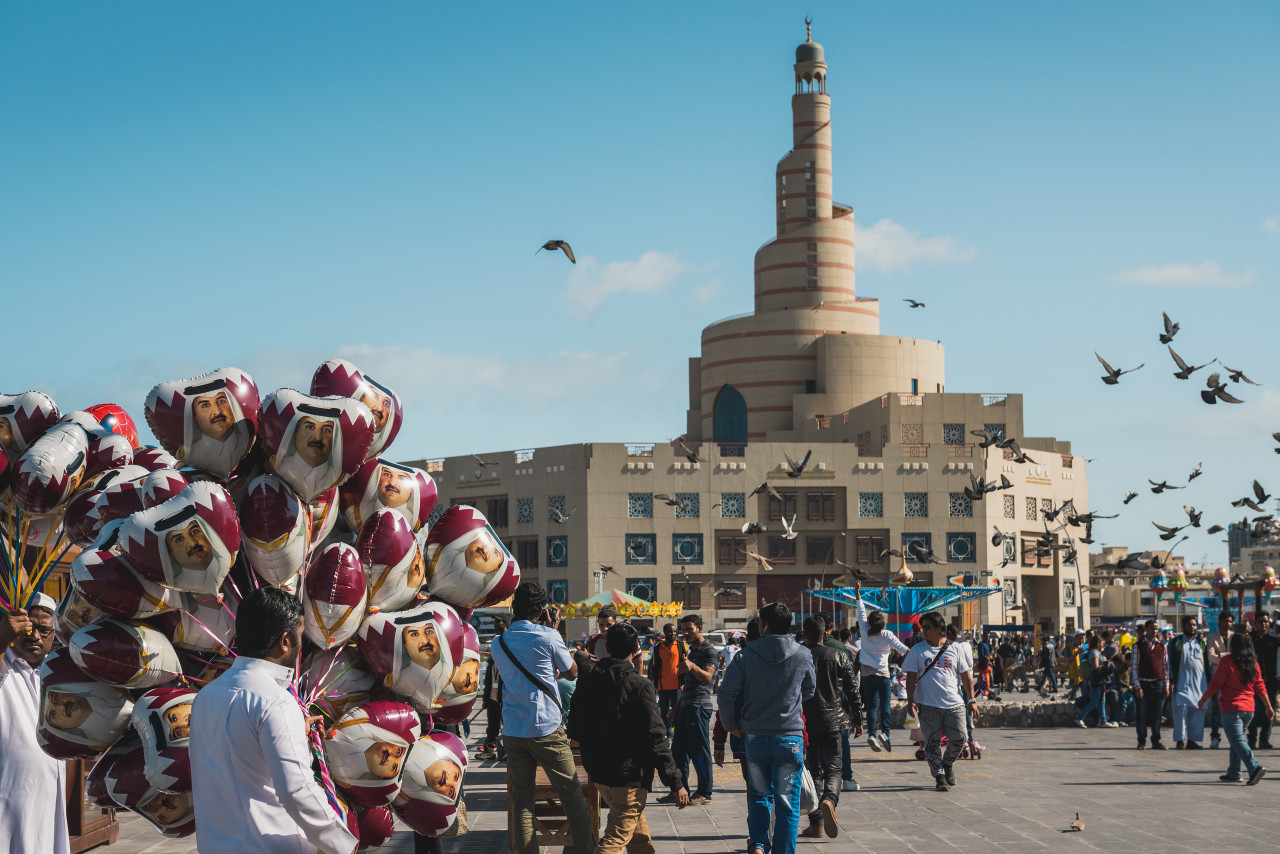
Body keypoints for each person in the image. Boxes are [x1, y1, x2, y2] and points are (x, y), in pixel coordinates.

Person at [190, 587, 358, 853]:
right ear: (285, 641)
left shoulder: (206, 696)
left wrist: (293, 734)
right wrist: (342, 844)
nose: (301, 643)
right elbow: (296, 791)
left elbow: (236, 758)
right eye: (300, 635)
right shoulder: (275, 702)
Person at [489, 582, 594, 854]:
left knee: (522, 800)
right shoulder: (548, 636)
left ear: (514, 607)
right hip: (546, 726)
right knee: (571, 795)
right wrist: (553, 631)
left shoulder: (498, 642)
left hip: (513, 728)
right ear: (541, 611)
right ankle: (585, 849)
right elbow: (571, 673)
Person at [568, 622, 689, 853]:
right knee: (614, 840)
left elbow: (574, 730)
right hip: (629, 775)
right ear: (636, 648)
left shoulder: (586, 682)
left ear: (608, 648)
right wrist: (675, 782)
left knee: (636, 832)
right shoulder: (640, 686)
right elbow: (656, 738)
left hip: (599, 772)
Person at [718, 602, 816, 854]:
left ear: (765, 626)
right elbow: (809, 690)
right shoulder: (803, 654)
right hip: (790, 738)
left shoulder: (744, 656)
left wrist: (731, 725)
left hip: (755, 737)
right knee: (787, 804)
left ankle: (759, 845)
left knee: (760, 796)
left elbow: (726, 694)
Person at [0, 595, 69, 854]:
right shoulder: (5, 664)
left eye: (44, 630)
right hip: (9, 799)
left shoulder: (57, 673)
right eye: (28, 628)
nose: (35, 636)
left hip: (49, 800)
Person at [902, 611, 979, 792]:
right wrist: (910, 701)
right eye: (922, 628)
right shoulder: (918, 650)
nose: (924, 631)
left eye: (927, 627)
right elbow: (911, 677)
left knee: (961, 738)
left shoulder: (956, 649)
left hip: (954, 704)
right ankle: (939, 776)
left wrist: (972, 700)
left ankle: (948, 763)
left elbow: (966, 676)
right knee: (932, 743)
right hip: (928, 705)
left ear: (939, 628)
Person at [799, 616, 861, 840]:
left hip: (805, 723)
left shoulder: (799, 655)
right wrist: (858, 718)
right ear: (826, 634)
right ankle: (830, 800)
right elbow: (853, 690)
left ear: (804, 635)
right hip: (834, 722)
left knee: (812, 772)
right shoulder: (838, 655)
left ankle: (816, 824)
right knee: (834, 770)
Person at [1198, 631, 1274, 784]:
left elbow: (1216, 684)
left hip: (1231, 707)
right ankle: (1234, 772)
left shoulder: (1227, 661)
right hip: (1249, 709)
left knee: (1237, 739)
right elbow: (1261, 688)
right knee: (1236, 739)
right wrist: (1268, 706)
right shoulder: (1254, 664)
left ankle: (1254, 768)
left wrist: (1203, 698)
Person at [661, 613, 717, 805]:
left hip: (699, 706)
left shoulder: (708, 651)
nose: (685, 633)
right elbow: (686, 687)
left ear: (700, 629)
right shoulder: (691, 651)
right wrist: (675, 709)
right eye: (683, 630)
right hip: (686, 706)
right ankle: (679, 790)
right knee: (677, 752)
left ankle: (705, 793)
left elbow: (708, 678)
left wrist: (692, 666)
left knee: (699, 751)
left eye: (689, 629)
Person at [854, 579, 908, 752]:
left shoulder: (863, 630)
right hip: (883, 674)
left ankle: (871, 734)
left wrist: (857, 592)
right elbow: (903, 649)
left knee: (870, 705)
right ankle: (885, 733)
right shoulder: (887, 635)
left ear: (869, 622)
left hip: (867, 674)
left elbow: (860, 610)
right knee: (885, 703)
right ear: (882, 624)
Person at [1169, 614, 1208, 748]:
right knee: (1180, 712)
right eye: (1189, 625)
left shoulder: (1201, 643)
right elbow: (1170, 662)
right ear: (1183, 626)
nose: (1192, 627)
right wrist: (1172, 680)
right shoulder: (1176, 642)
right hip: (1181, 684)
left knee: (1197, 712)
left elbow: (1206, 664)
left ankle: (1192, 740)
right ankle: (1180, 740)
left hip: (1199, 685)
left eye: (1194, 625)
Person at [1132, 619, 1170, 750]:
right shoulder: (1138, 646)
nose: (1154, 631)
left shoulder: (1162, 646)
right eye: (1152, 628)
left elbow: (1165, 667)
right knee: (1141, 714)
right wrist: (1137, 686)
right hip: (1143, 684)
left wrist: (1166, 685)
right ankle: (1141, 741)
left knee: (1157, 715)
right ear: (1146, 630)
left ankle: (1156, 741)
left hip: (1158, 684)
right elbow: (1135, 668)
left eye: (1156, 628)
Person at [476, 618, 507, 760]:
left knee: (506, 727)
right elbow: (488, 681)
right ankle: (489, 750)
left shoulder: (508, 662)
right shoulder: (491, 662)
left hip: (504, 700)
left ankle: (508, 751)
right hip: (493, 699)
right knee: (492, 727)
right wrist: (486, 699)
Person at [1247, 613, 1277, 750]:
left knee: (1269, 711)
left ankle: (1264, 739)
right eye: (1260, 622)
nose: (1263, 624)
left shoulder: (1274, 640)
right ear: (1255, 624)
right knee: (1251, 712)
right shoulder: (1249, 640)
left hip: (1270, 681)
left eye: (1265, 622)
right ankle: (1252, 739)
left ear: (1269, 623)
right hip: (1252, 682)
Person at [1208, 612, 1234, 749]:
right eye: (1224, 621)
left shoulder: (1235, 637)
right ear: (1219, 622)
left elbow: (1238, 655)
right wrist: (1228, 656)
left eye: (1229, 621)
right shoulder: (1212, 638)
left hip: (1233, 681)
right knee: (1217, 711)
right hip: (1217, 680)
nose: (1227, 624)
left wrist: (1221, 656)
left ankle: (1234, 738)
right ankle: (1214, 737)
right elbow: (1211, 657)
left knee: (1232, 712)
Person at [649, 623, 683, 727]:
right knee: (663, 711)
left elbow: (684, 663)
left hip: (677, 685)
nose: (672, 633)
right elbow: (654, 666)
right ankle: (667, 732)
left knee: (677, 710)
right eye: (670, 631)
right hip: (662, 685)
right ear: (665, 632)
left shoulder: (681, 645)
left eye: (674, 631)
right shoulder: (658, 648)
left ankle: (677, 731)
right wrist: (653, 683)